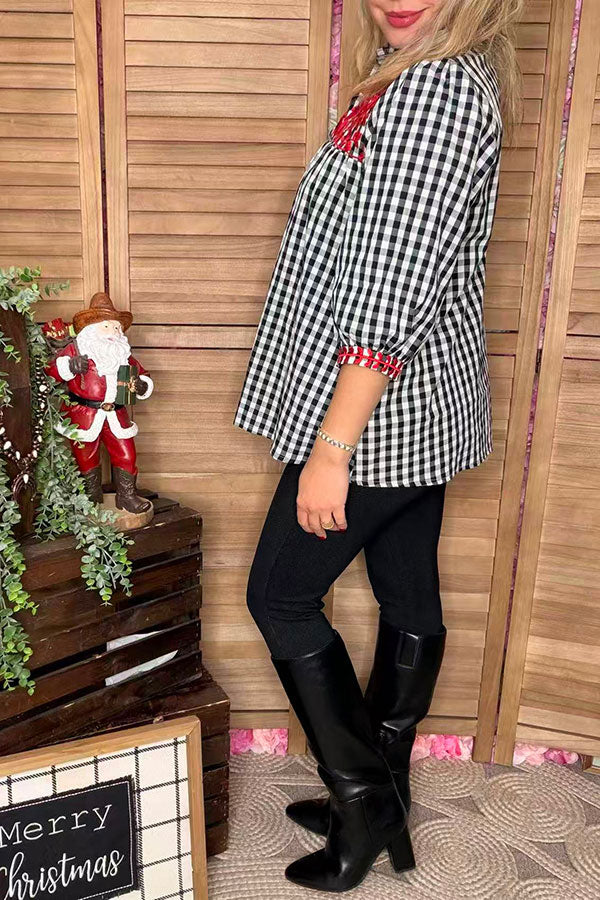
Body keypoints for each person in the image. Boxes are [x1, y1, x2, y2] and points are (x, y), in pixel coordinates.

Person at [233, 0, 523, 892]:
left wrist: (332, 446)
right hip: (421, 412)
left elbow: (390, 287)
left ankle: (362, 808)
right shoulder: (438, 77)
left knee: (279, 596)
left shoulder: (435, 90)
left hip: (378, 419)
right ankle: (385, 788)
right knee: (406, 592)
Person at [45, 292, 154, 514]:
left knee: (126, 454)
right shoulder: (76, 350)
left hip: (116, 415)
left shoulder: (124, 356)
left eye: (117, 327)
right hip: (84, 415)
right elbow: (52, 370)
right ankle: (90, 499)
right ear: (91, 329)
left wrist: (143, 385)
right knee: (85, 457)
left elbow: (142, 374)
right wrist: (70, 367)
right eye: (107, 326)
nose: (114, 332)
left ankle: (127, 496)